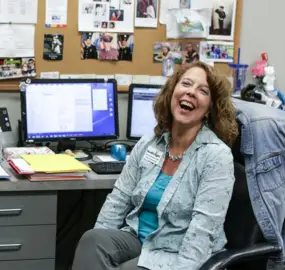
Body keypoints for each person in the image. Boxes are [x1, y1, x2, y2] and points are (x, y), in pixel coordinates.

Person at [72, 61, 239, 270]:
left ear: (209, 109)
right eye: (186, 84)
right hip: (137, 239)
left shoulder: (216, 156)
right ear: (172, 92)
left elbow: (202, 233)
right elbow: (119, 198)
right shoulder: (151, 142)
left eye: (203, 91)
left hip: (176, 253)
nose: (191, 92)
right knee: (93, 241)